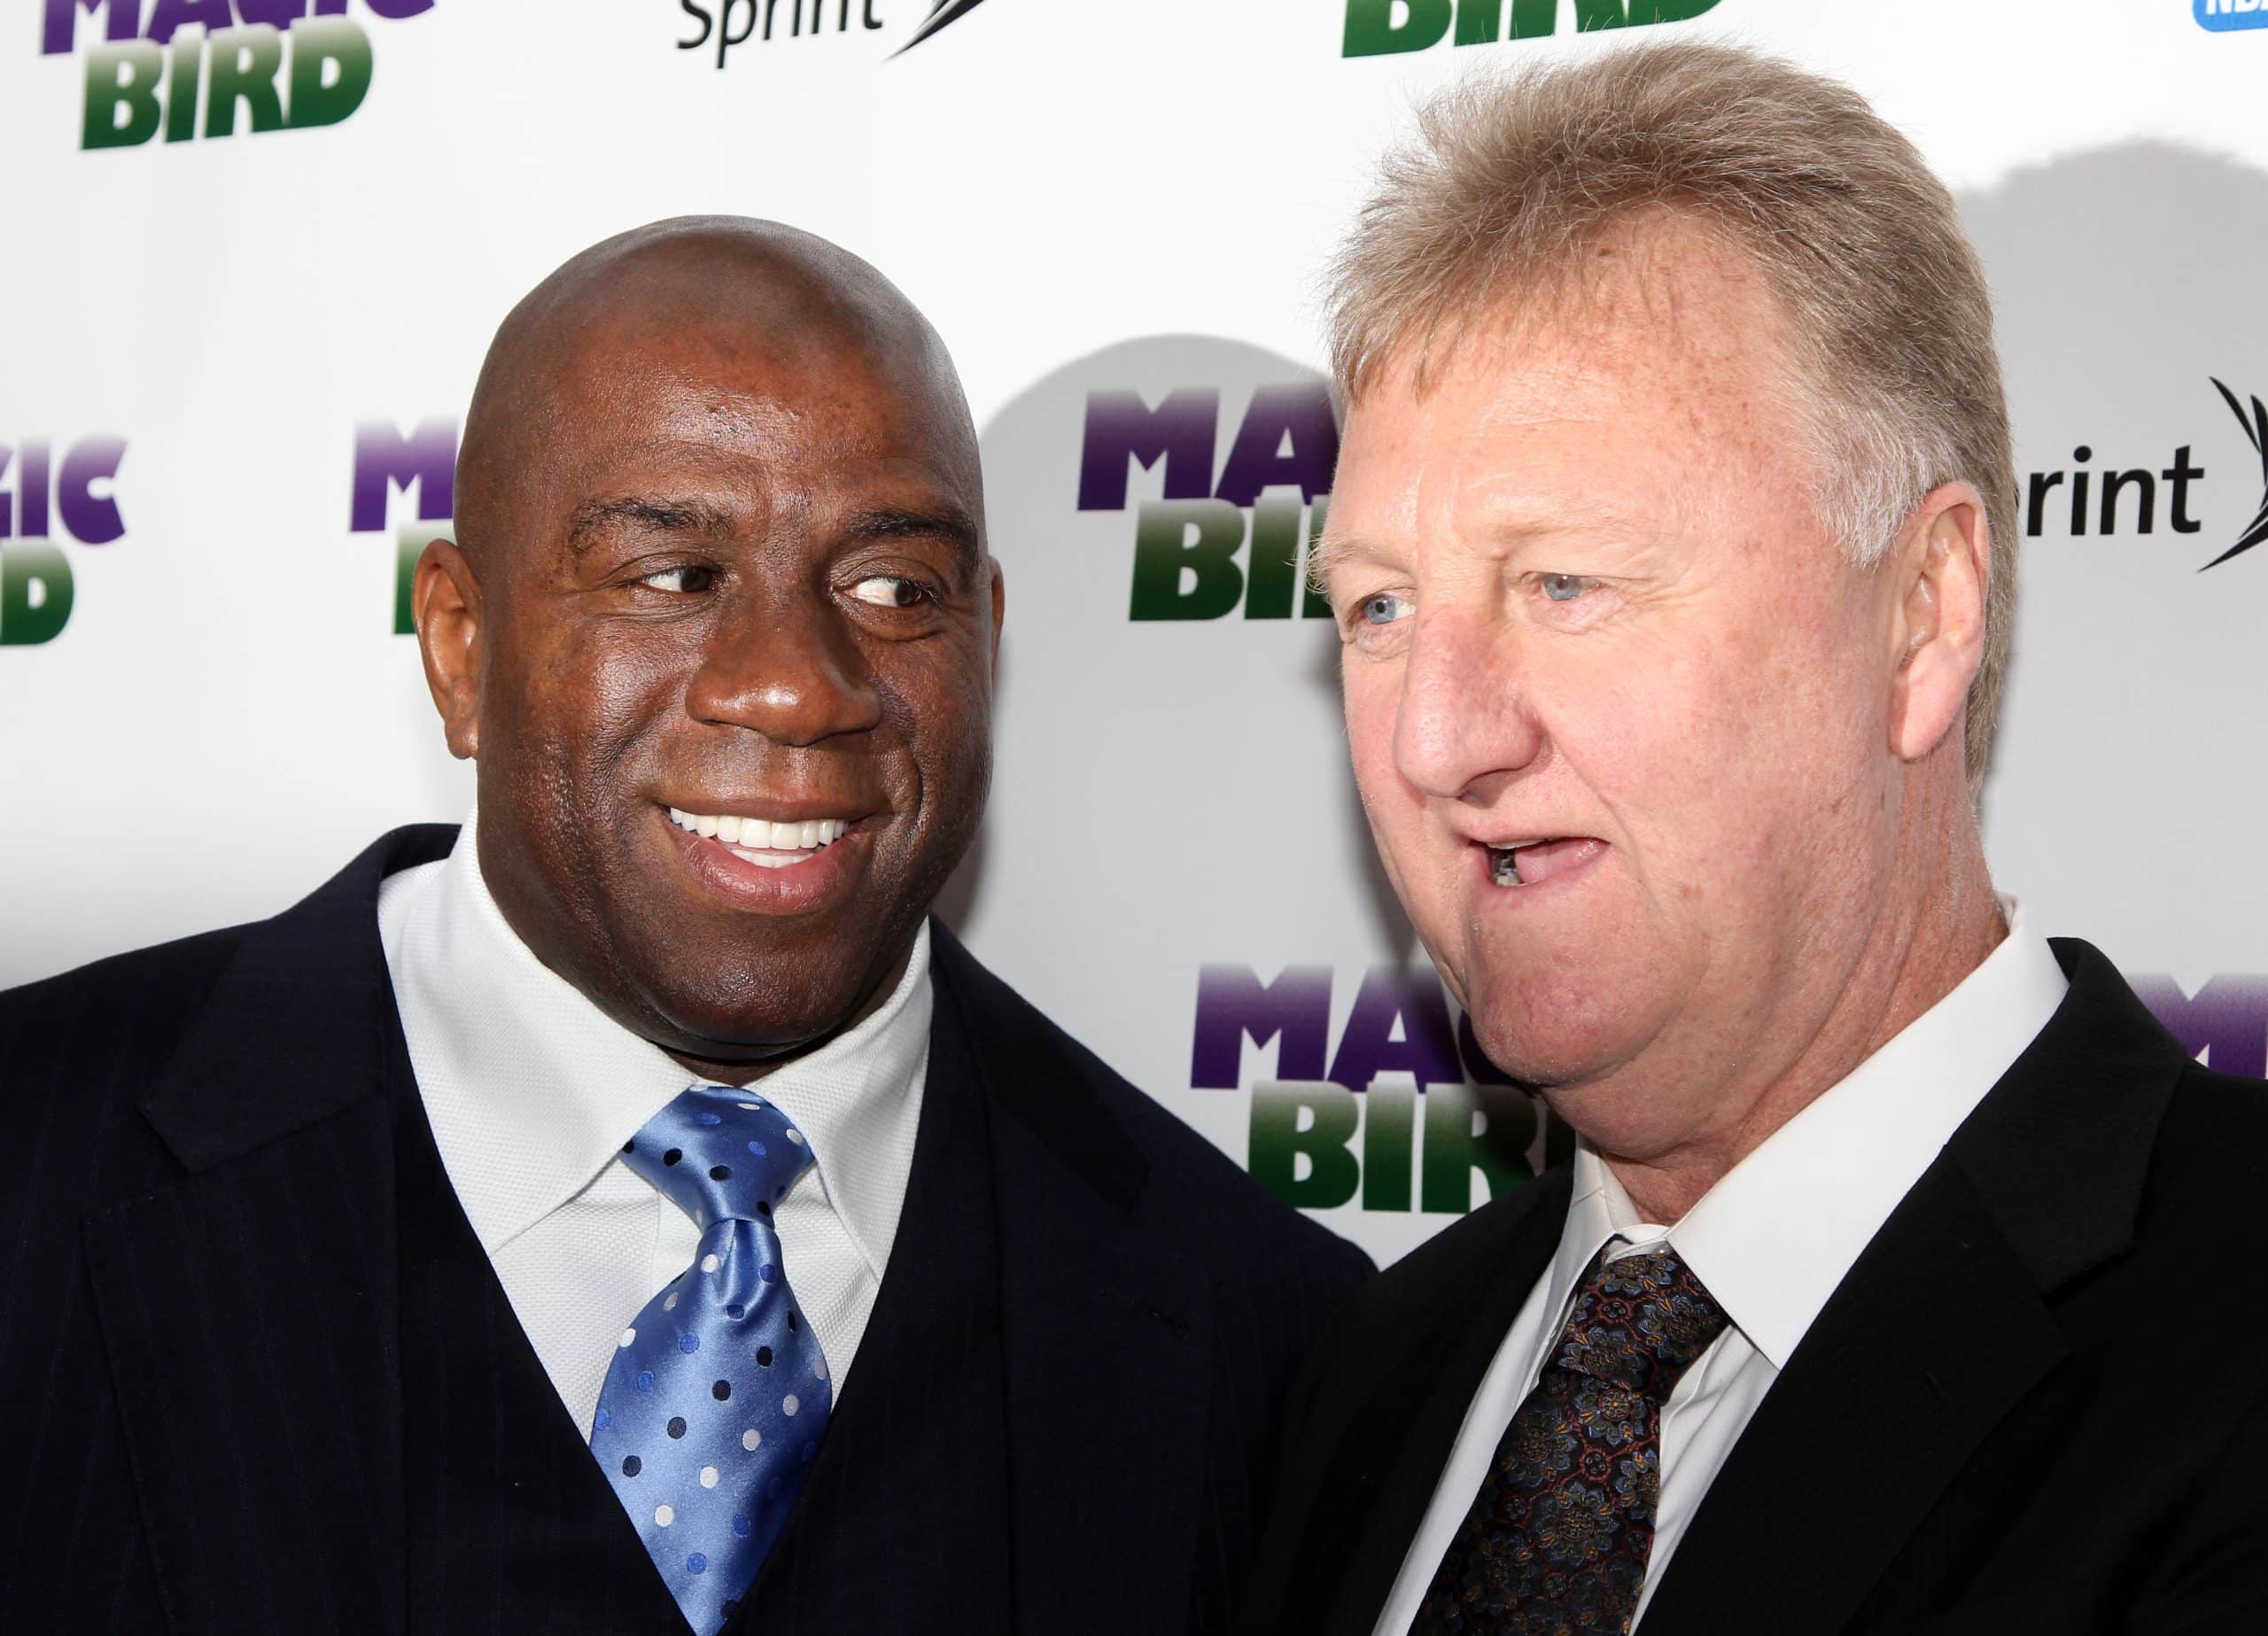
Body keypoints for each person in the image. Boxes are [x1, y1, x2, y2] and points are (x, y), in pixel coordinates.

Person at [0, 217, 1369, 1636]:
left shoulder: (1261, 1331)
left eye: (894, 590)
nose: (793, 686)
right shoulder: (34, 1158)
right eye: (672, 578)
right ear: (462, 647)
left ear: (988, 634)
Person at [1242, 43, 2268, 1636]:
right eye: (1380, 608)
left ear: (1924, 618)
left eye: (1565, 583)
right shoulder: (1374, 1373)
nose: (1441, 739)